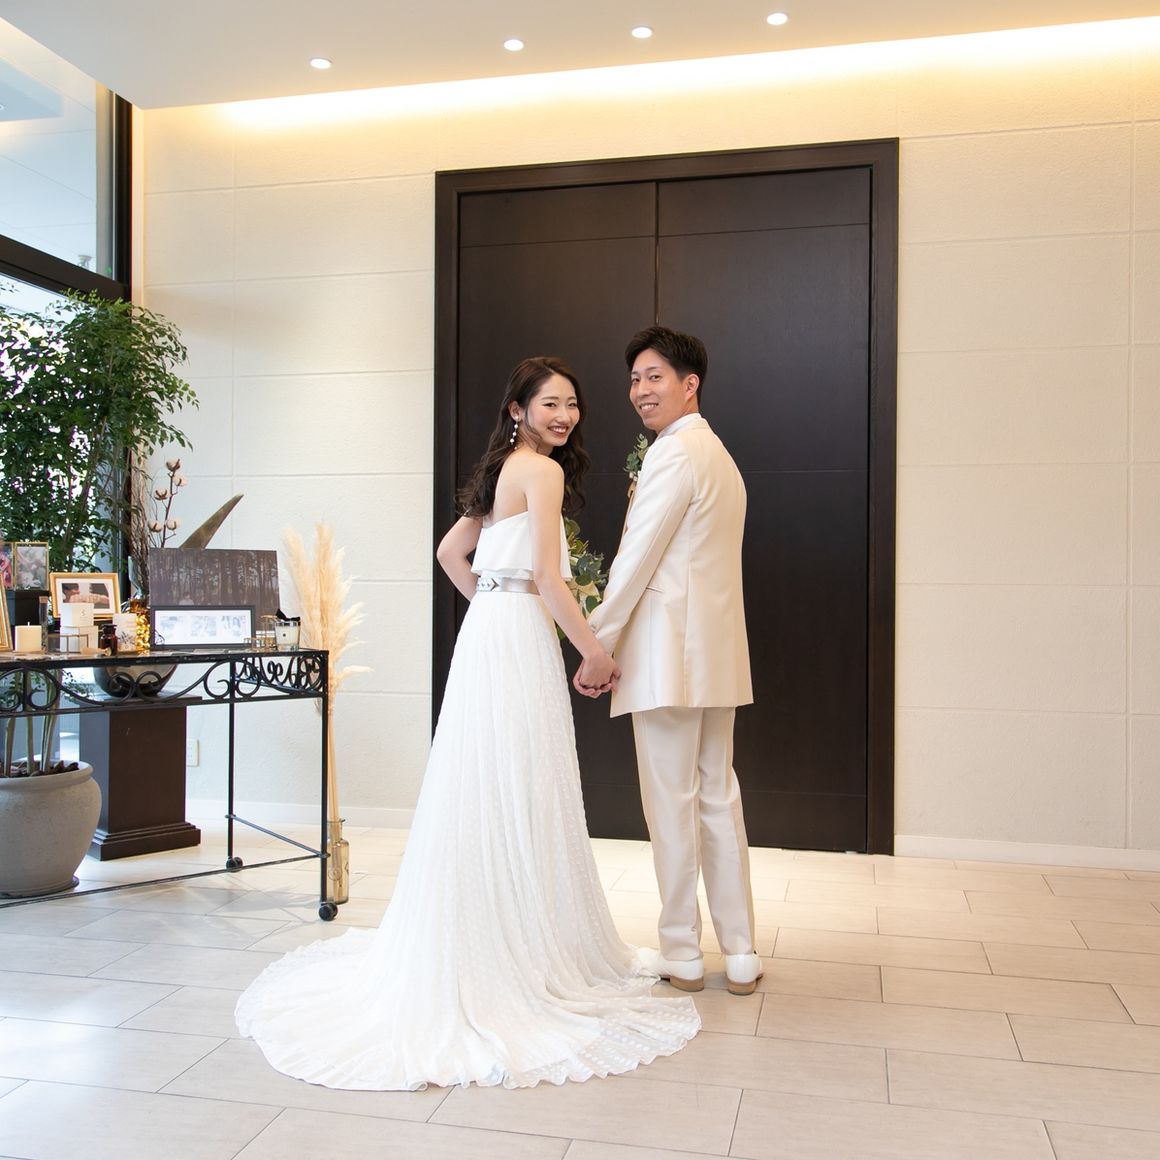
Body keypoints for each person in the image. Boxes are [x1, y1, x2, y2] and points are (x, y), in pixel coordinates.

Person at [236, 355, 700, 1090]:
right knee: (522, 776)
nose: (565, 416)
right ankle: (523, 944)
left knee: (482, 776)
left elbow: (452, 553)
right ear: (517, 409)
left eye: (572, 404)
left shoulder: (504, 470)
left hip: (490, 630)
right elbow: (547, 576)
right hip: (517, 631)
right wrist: (593, 649)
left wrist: (489, 597)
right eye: (550, 403)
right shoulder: (540, 472)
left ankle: (484, 930)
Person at [575, 326, 761, 996]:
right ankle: (740, 950)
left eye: (654, 376)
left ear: (690, 384)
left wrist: (597, 644)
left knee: (671, 804)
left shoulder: (673, 454)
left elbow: (636, 559)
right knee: (718, 798)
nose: (640, 390)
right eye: (634, 379)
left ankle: (682, 951)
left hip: (665, 658)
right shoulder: (720, 456)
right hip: (716, 657)